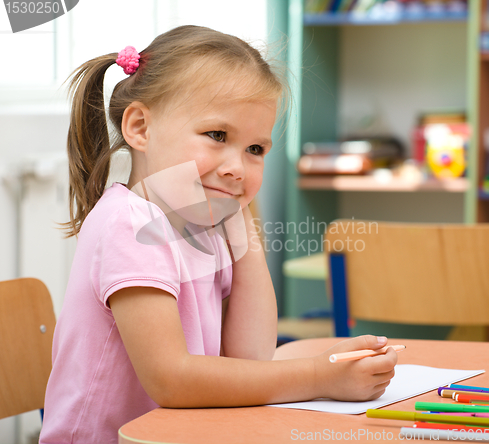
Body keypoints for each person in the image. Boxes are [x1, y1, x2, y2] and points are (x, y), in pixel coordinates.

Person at [39, 25, 398, 444]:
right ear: (140, 127)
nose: (237, 167)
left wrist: (242, 227)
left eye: (255, 150)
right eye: (217, 136)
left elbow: (250, 357)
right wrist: (320, 376)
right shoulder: (132, 224)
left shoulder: (202, 229)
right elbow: (171, 380)